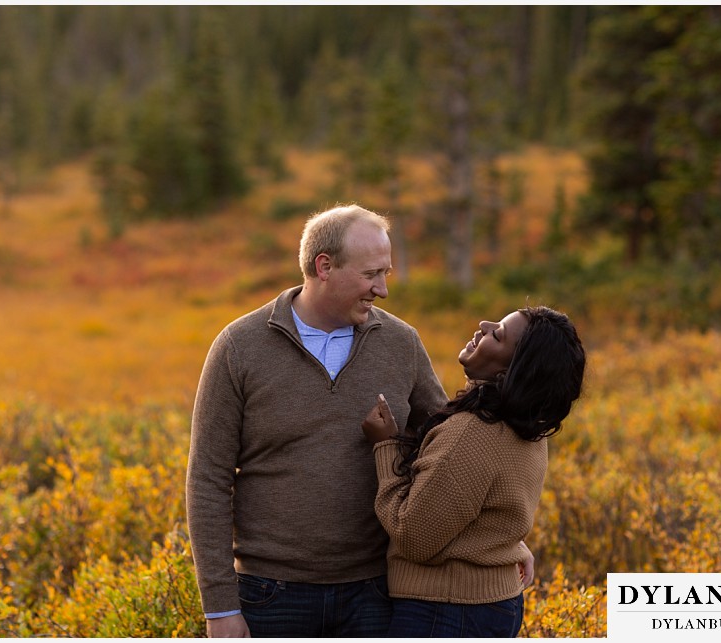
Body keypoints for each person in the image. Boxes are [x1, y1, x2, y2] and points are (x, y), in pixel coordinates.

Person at [186, 204, 452, 637]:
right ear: (324, 266)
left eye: (386, 273)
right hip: (270, 596)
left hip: (378, 592)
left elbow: (450, 449)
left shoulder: (402, 343)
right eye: (371, 275)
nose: (383, 290)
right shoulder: (239, 346)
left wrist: (502, 540)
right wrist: (219, 608)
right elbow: (208, 479)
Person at [361, 305, 586, 637]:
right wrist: (513, 546)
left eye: (497, 334)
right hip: (487, 605)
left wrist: (385, 446)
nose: (483, 325)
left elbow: (414, 536)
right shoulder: (525, 428)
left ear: (506, 373)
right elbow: (487, 515)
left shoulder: (472, 433)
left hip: (447, 610)